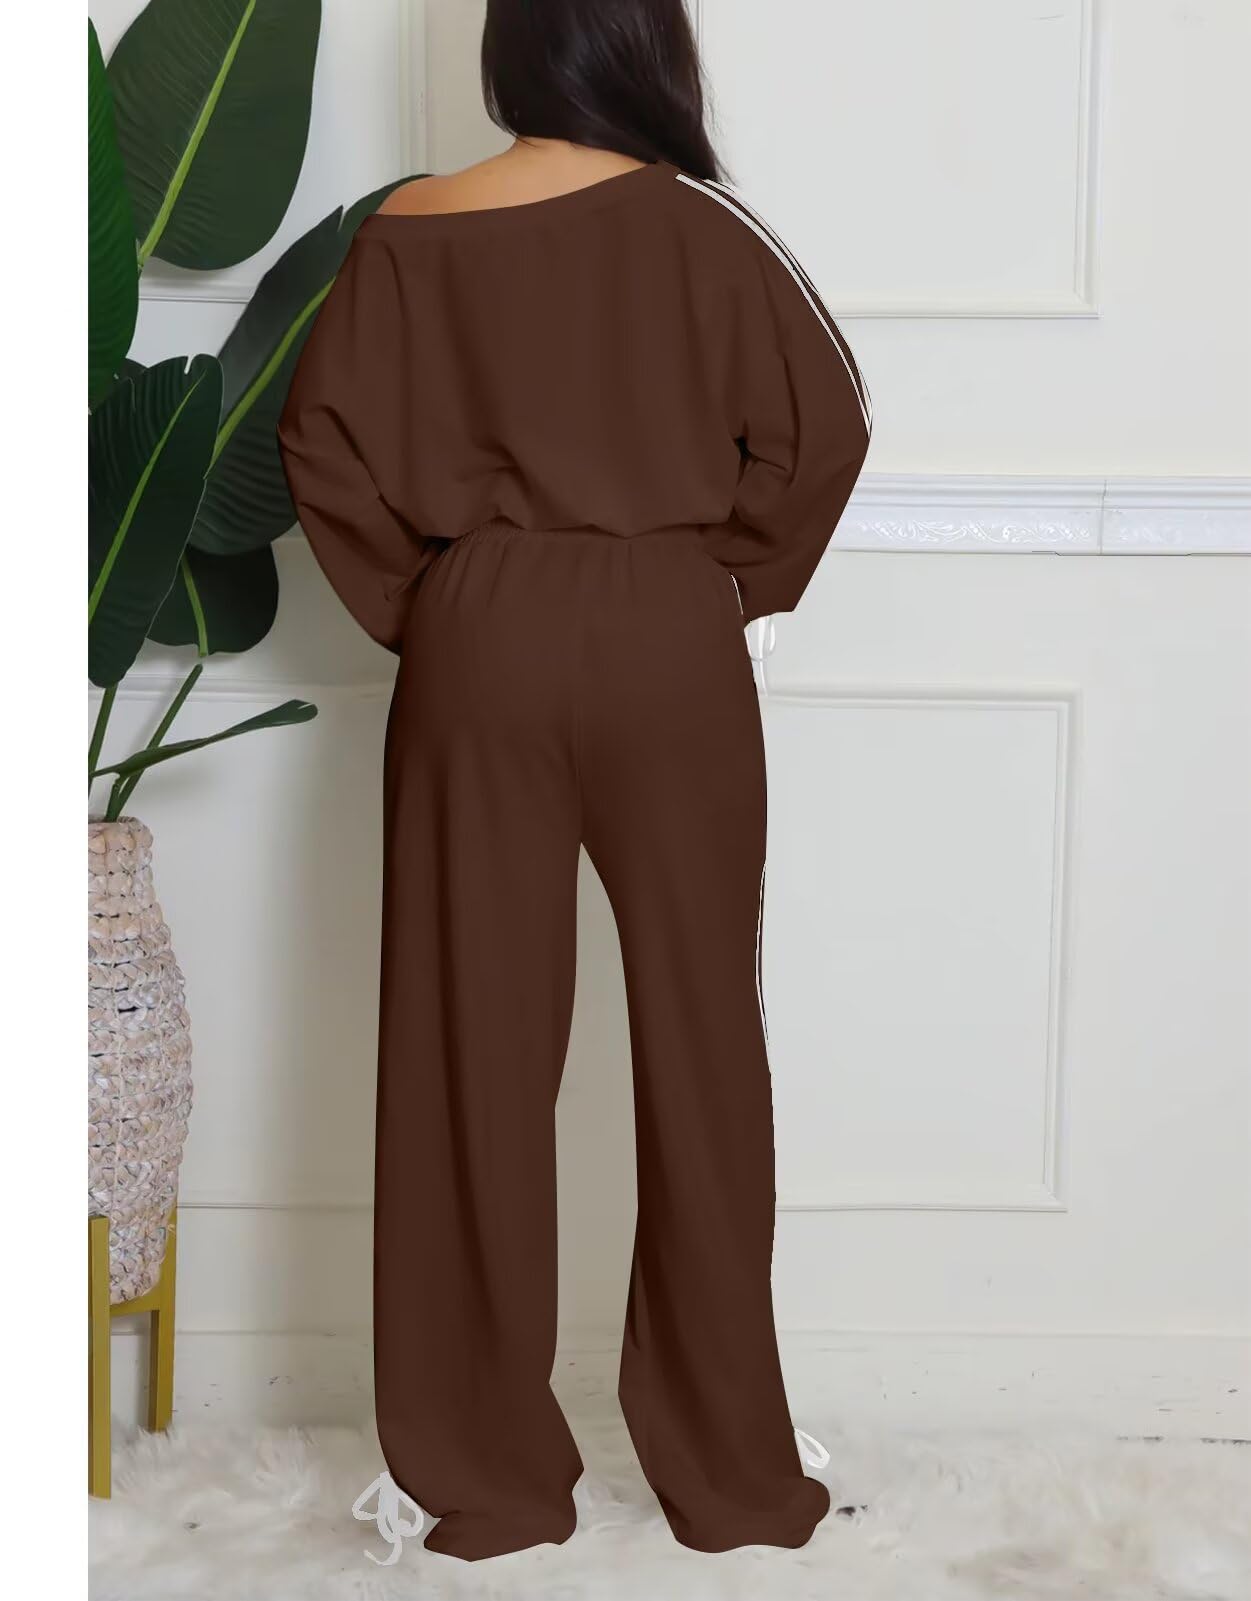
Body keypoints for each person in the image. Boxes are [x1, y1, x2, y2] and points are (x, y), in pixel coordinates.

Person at [277, 0, 871, 1566]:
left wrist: (432, 606)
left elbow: (320, 444)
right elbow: (827, 428)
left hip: (480, 633)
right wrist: (725, 580)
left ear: (511, 48)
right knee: (702, 1043)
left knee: (468, 1053)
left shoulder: (407, 232)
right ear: (647, 48)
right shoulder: (706, 230)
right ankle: (732, 1472)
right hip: (669, 633)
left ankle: (485, 1477)